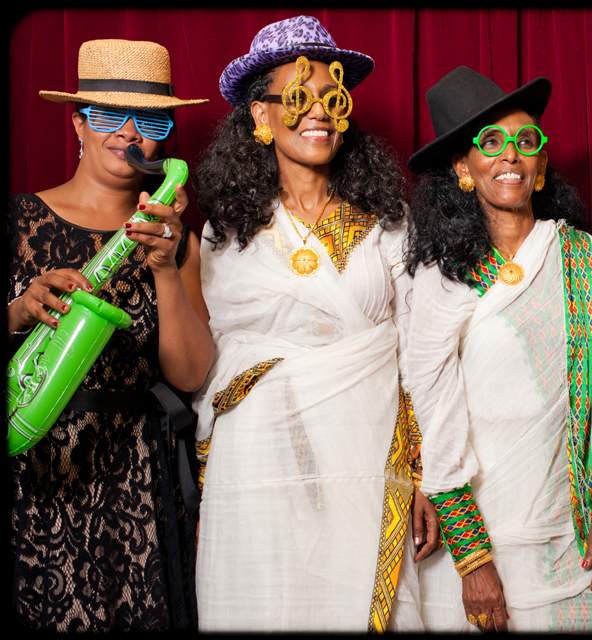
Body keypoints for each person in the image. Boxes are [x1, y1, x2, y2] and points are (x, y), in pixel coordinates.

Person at [190, 15, 435, 632]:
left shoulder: (387, 222)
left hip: (370, 461)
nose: (318, 112)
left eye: (333, 97)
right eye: (296, 97)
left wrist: (431, 475)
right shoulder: (225, 232)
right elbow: (214, 360)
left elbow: (420, 352)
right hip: (258, 468)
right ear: (260, 115)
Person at [404, 66, 592, 633]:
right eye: (491, 142)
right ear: (464, 169)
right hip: (490, 541)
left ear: (539, 166)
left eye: (525, 141)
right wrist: (472, 560)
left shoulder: (580, 254)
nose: (510, 155)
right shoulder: (443, 279)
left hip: (590, 535)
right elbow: (437, 423)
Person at [7, 39, 213, 630]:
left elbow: (193, 375)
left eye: (150, 119)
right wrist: (18, 311)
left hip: (135, 476)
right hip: (33, 466)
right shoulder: (19, 220)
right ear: (77, 123)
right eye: (107, 116)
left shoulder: (182, 242)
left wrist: (167, 268)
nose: (128, 133)